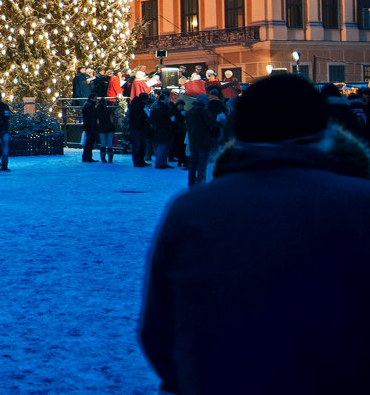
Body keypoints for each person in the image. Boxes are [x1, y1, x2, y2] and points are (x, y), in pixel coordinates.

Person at [140, 74, 370, 393]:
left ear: (242, 129)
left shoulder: (193, 210)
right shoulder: (360, 204)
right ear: (324, 127)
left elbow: (160, 332)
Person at [183, 96, 218, 187]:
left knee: (193, 163)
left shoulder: (189, 112)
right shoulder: (203, 112)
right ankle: (200, 183)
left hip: (193, 140)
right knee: (202, 164)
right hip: (204, 140)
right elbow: (211, 123)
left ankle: (191, 182)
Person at [128, 91, 151, 167]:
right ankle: (139, 161)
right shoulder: (139, 107)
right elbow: (140, 117)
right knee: (139, 145)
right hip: (138, 127)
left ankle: (139, 161)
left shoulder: (135, 105)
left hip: (136, 127)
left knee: (138, 145)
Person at [96, 98, 115, 163]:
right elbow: (112, 120)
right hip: (110, 127)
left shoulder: (97, 110)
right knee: (110, 144)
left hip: (101, 128)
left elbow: (97, 120)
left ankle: (103, 159)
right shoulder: (109, 110)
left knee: (103, 144)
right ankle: (110, 159)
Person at [80, 95, 98, 162]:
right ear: (92, 98)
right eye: (95, 98)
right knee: (89, 142)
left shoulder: (87, 105)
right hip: (90, 126)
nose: (96, 100)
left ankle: (86, 156)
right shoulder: (90, 106)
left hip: (88, 126)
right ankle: (87, 156)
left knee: (88, 142)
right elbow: (91, 118)